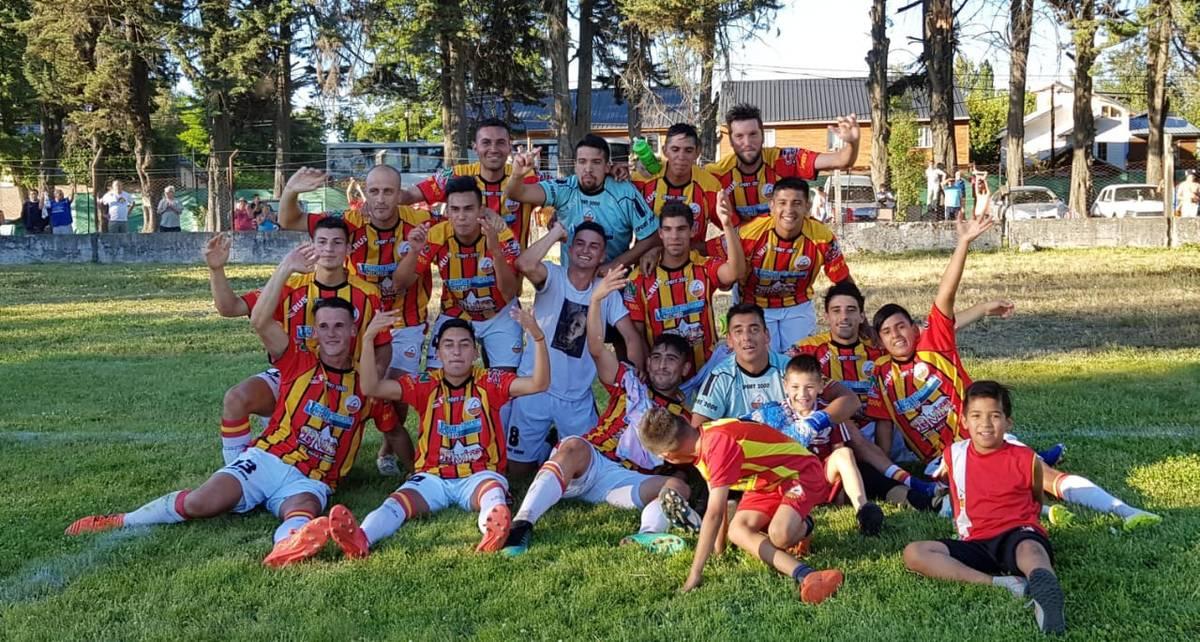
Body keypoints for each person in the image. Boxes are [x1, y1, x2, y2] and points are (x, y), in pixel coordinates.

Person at [66, 245, 404, 568]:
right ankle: (120, 520)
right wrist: (285, 267)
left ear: (353, 332)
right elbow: (259, 321)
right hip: (268, 459)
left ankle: (286, 547)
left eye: (340, 327)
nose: (332, 334)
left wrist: (418, 471)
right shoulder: (298, 361)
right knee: (201, 503)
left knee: (302, 508)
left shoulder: (367, 386)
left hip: (312, 478)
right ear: (314, 332)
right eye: (325, 327)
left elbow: (395, 431)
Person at [866, 181, 1161, 530]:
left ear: (915, 330)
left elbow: (945, 295)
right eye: (886, 332)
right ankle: (1046, 512)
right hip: (942, 461)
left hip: (985, 434)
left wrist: (963, 243)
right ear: (879, 341)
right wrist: (888, 474)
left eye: (901, 327)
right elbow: (884, 429)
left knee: (1045, 476)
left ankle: (1127, 511)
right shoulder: (881, 376)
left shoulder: (934, 345)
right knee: (968, 493)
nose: (896, 335)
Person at [321, 307, 550, 557]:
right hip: (432, 477)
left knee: (493, 496)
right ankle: (361, 537)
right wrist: (367, 340)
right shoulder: (425, 384)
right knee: (395, 503)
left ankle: (492, 532)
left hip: (479, 475)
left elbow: (539, 383)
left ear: (475, 352)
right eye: (449, 345)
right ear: (438, 352)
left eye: (464, 345)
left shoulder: (489, 382)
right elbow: (370, 386)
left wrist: (538, 337)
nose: (456, 351)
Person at [502, 269, 701, 556]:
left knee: (677, 487)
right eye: (656, 358)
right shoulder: (631, 382)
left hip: (628, 480)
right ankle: (521, 525)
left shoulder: (683, 417)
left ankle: (647, 536)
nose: (661, 365)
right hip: (594, 461)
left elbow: (684, 464)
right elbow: (596, 348)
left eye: (671, 360)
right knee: (572, 445)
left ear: (684, 369)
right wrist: (596, 301)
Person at [278, 165, 434, 475]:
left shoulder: (421, 222)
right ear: (365, 192)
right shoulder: (351, 222)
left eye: (388, 191)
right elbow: (287, 219)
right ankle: (330, 439)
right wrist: (292, 191)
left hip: (405, 322)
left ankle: (388, 448)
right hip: (357, 318)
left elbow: (402, 282)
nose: (380, 199)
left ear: (399, 194)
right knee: (342, 385)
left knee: (397, 390)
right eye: (373, 191)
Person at [201, 219, 394, 468]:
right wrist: (216, 270)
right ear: (311, 246)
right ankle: (237, 470)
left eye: (337, 243)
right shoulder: (292, 286)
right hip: (292, 375)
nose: (329, 249)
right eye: (322, 242)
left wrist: (370, 382)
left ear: (348, 250)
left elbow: (384, 344)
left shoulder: (368, 294)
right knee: (236, 398)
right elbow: (230, 308)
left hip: (341, 385)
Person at [903, 381, 1065, 634]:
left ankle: (1044, 589)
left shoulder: (1025, 458)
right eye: (977, 416)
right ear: (964, 421)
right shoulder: (953, 454)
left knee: (1031, 549)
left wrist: (1025, 526)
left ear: (1008, 423)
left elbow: (1036, 499)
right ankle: (1002, 583)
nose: (986, 424)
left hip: (1016, 533)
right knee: (915, 552)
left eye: (995, 416)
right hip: (975, 542)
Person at [638, 408, 845, 604]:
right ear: (684, 422)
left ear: (667, 457)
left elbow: (714, 515)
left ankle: (804, 526)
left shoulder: (717, 446)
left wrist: (695, 575)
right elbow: (715, 502)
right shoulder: (702, 442)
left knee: (779, 535)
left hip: (799, 473)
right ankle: (805, 574)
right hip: (765, 482)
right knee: (737, 532)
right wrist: (720, 552)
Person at [506, 220, 647, 476]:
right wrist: (556, 233)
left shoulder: (606, 292)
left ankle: (553, 448)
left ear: (603, 255)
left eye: (594, 246)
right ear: (569, 249)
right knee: (518, 472)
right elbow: (524, 264)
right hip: (535, 388)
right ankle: (548, 446)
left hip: (576, 397)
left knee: (584, 470)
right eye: (579, 243)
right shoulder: (552, 275)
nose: (585, 250)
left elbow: (631, 337)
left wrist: (633, 374)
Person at [392, 176, 523, 370]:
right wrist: (413, 252)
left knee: (505, 385)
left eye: (468, 209)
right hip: (457, 312)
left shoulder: (500, 234)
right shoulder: (438, 234)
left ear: (481, 210)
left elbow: (510, 292)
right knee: (436, 380)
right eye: (455, 209)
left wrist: (495, 251)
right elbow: (399, 284)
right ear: (448, 212)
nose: (461, 216)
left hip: (500, 313)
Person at [624, 198, 745, 391]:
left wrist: (727, 225)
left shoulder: (703, 266)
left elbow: (736, 272)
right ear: (660, 233)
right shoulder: (638, 279)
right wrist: (646, 377)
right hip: (664, 379)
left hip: (707, 371)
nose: (675, 236)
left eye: (681, 229)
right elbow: (636, 336)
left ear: (692, 231)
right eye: (668, 230)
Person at [722, 176, 853, 350]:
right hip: (754, 305)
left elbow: (843, 279)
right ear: (772, 207)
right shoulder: (748, 234)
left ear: (807, 207)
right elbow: (714, 257)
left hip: (797, 306)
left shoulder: (822, 237)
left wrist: (862, 318)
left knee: (798, 362)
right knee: (761, 362)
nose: (789, 210)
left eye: (797, 203)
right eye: (782, 203)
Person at [503, 134, 661, 271]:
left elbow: (653, 235)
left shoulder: (624, 192)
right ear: (575, 165)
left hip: (611, 283)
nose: (588, 168)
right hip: (570, 283)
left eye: (596, 162)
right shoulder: (564, 188)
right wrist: (517, 175)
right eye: (582, 161)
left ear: (608, 166)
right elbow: (516, 193)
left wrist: (616, 264)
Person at [692, 303, 857, 427]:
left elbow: (850, 400)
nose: (747, 337)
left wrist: (813, 424)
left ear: (767, 335)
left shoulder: (789, 367)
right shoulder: (720, 376)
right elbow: (698, 428)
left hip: (789, 450)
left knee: (845, 426)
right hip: (743, 455)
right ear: (729, 341)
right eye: (738, 331)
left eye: (754, 329)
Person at [396, 118, 553, 248]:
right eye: (486, 143)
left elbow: (560, 202)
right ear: (475, 147)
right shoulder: (454, 175)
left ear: (509, 147)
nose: (493, 149)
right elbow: (408, 196)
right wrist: (374, 195)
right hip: (461, 277)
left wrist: (555, 219)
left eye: (500, 143)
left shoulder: (527, 176)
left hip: (510, 278)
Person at [705, 103, 859, 225]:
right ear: (731, 140)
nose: (747, 143)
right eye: (739, 136)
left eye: (753, 134)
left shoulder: (784, 159)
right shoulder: (716, 174)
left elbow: (841, 161)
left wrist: (852, 143)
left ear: (763, 135)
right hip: (743, 251)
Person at [631, 123, 724, 249]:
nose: (681, 157)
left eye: (688, 150)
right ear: (665, 151)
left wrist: (702, 249)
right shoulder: (641, 179)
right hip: (646, 264)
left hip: (693, 264)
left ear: (697, 152)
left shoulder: (710, 186)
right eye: (675, 149)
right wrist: (614, 170)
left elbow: (732, 229)